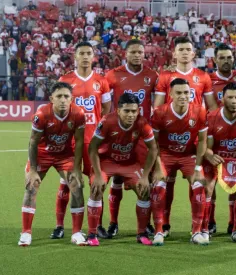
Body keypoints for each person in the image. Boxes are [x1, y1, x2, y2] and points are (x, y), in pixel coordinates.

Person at [53, 41, 112, 239]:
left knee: (97, 184)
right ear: (75, 56)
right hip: (71, 141)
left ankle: (98, 225)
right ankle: (60, 226)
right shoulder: (66, 79)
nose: (85, 57)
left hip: (94, 141)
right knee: (67, 183)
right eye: (82, 53)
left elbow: (106, 110)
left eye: (89, 53)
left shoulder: (101, 81)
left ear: (93, 56)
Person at [18, 82, 87, 246]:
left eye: (66, 96)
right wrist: (33, 170)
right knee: (31, 186)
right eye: (59, 96)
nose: (63, 100)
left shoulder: (78, 114)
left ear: (72, 99)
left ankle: (76, 232)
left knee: (76, 185)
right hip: (43, 154)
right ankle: (26, 232)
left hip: (64, 155)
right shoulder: (41, 114)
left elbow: (78, 142)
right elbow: (33, 142)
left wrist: (77, 169)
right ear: (51, 99)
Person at [87, 93, 160, 246]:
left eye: (134, 111)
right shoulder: (107, 121)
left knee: (144, 190)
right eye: (126, 111)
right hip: (107, 161)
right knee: (96, 188)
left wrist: (145, 176)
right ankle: (92, 234)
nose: (131, 115)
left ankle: (141, 233)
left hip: (129, 162)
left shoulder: (142, 123)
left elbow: (153, 149)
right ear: (118, 110)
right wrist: (99, 174)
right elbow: (93, 147)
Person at [104, 39, 159, 238]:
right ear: (125, 54)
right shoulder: (113, 75)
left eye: (141, 52)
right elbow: (103, 99)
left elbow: (159, 102)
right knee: (116, 178)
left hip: (143, 136)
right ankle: (113, 222)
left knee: (148, 180)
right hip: (120, 135)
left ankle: (147, 224)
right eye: (133, 52)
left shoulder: (152, 76)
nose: (137, 55)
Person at [151, 78, 208, 245]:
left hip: (187, 155)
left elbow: (203, 141)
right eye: (179, 93)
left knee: (199, 184)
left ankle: (196, 232)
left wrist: (198, 167)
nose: (183, 96)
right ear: (170, 94)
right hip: (166, 155)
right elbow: (153, 142)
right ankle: (159, 231)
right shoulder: (160, 112)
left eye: (186, 93)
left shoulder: (199, 111)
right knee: (159, 186)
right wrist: (157, 166)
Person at [202, 82, 236, 243]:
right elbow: (206, 147)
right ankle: (204, 229)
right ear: (222, 98)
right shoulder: (212, 118)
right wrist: (210, 156)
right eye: (230, 97)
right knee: (207, 187)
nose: (234, 101)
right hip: (214, 161)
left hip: (235, 162)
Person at [153, 36, 217, 110]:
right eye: (181, 50)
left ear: (193, 54)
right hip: (172, 121)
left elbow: (212, 106)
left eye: (188, 49)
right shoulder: (164, 76)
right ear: (174, 54)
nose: (185, 52)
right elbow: (158, 108)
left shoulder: (203, 76)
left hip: (196, 121)